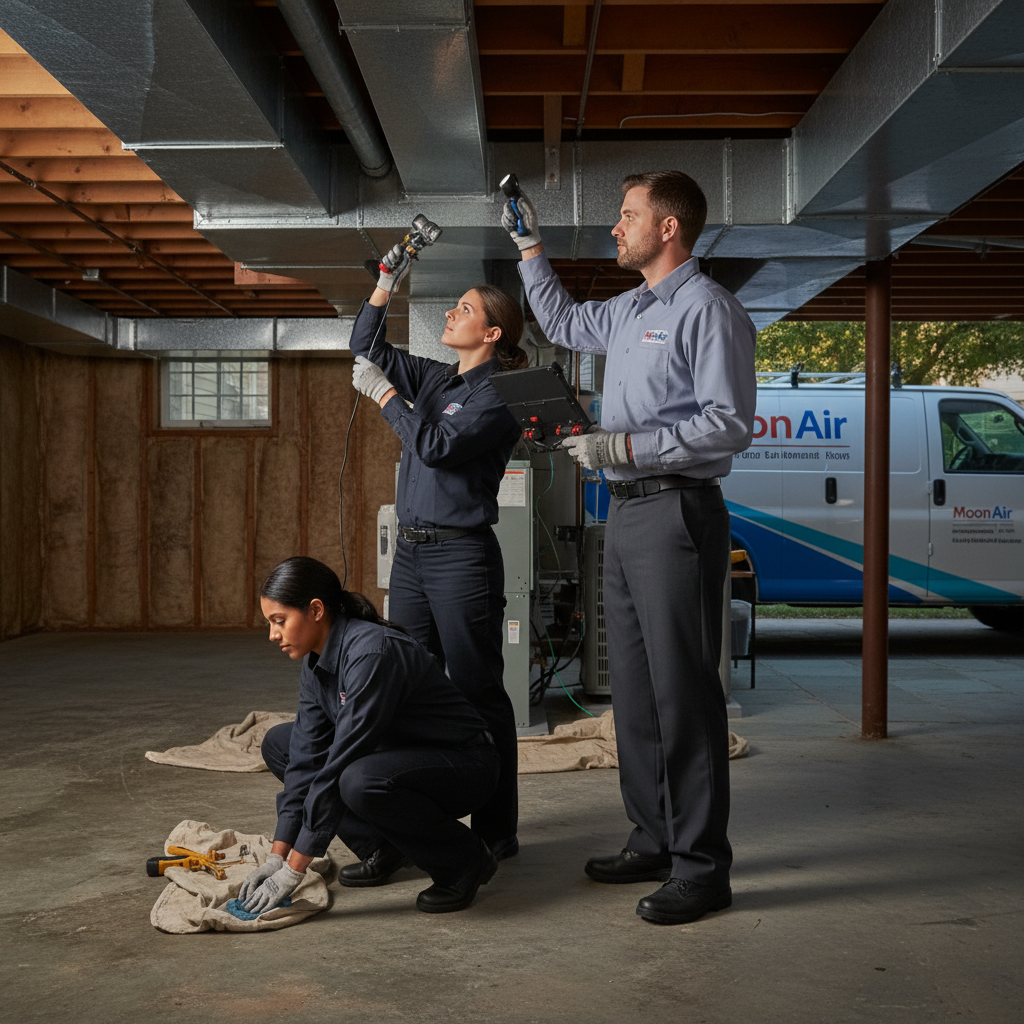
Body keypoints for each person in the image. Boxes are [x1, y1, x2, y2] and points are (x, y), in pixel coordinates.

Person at [501, 171, 756, 925]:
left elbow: (728, 423)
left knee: (685, 694)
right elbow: (560, 321)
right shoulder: (631, 308)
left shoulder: (708, 309)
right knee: (636, 694)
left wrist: (622, 445)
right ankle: (654, 839)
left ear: (668, 228)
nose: (616, 227)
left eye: (627, 215)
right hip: (627, 511)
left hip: (678, 509)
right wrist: (529, 245)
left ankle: (702, 868)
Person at [344, 251, 526, 885]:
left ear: (492, 333)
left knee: (477, 690)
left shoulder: (497, 394)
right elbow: (364, 346)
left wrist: (386, 395)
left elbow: (437, 445)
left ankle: (497, 829)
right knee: (403, 683)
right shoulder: (437, 379)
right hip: (413, 555)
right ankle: (406, 824)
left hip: (461, 556)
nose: (451, 313)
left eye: (465, 309)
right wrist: (385, 282)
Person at [238, 556, 501, 916]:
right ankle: (384, 846)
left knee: (357, 780)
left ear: (316, 610)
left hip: (463, 765)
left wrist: (293, 871)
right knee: (280, 744)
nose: (272, 634)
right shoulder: (315, 663)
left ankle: (465, 860)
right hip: (395, 756)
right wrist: (276, 857)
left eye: (279, 620)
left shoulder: (372, 653)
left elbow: (339, 763)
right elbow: (304, 760)